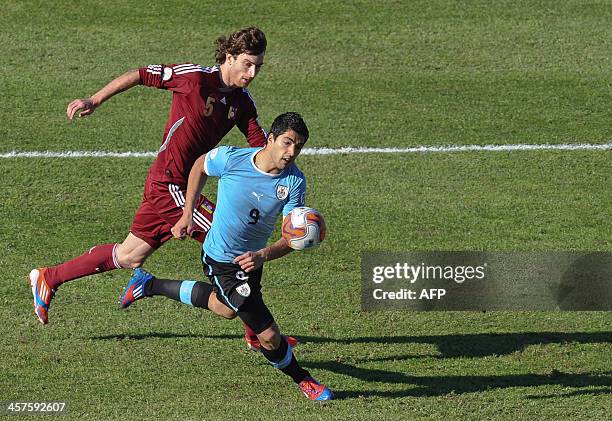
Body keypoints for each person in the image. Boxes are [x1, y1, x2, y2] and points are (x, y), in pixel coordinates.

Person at [29, 26, 286, 349]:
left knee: (128, 255)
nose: (252, 73)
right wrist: (94, 99)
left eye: (258, 67)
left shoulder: (243, 103)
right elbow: (140, 74)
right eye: (247, 64)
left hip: (173, 187)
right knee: (230, 243)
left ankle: (49, 277)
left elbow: (260, 151)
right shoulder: (194, 79)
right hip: (170, 185)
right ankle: (255, 332)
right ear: (230, 57)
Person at [119, 112, 333, 401]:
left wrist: (263, 255)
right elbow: (199, 166)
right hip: (221, 259)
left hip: (252, 261)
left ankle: (148, 284)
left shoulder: (294, 182)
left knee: (226, 308)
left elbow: (291, 236)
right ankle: (304, 380)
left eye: (298, 146)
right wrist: (187, 214)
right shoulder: (232, 159)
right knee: (269, 334)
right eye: (287, 142)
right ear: (270, 139)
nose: (291, 152)